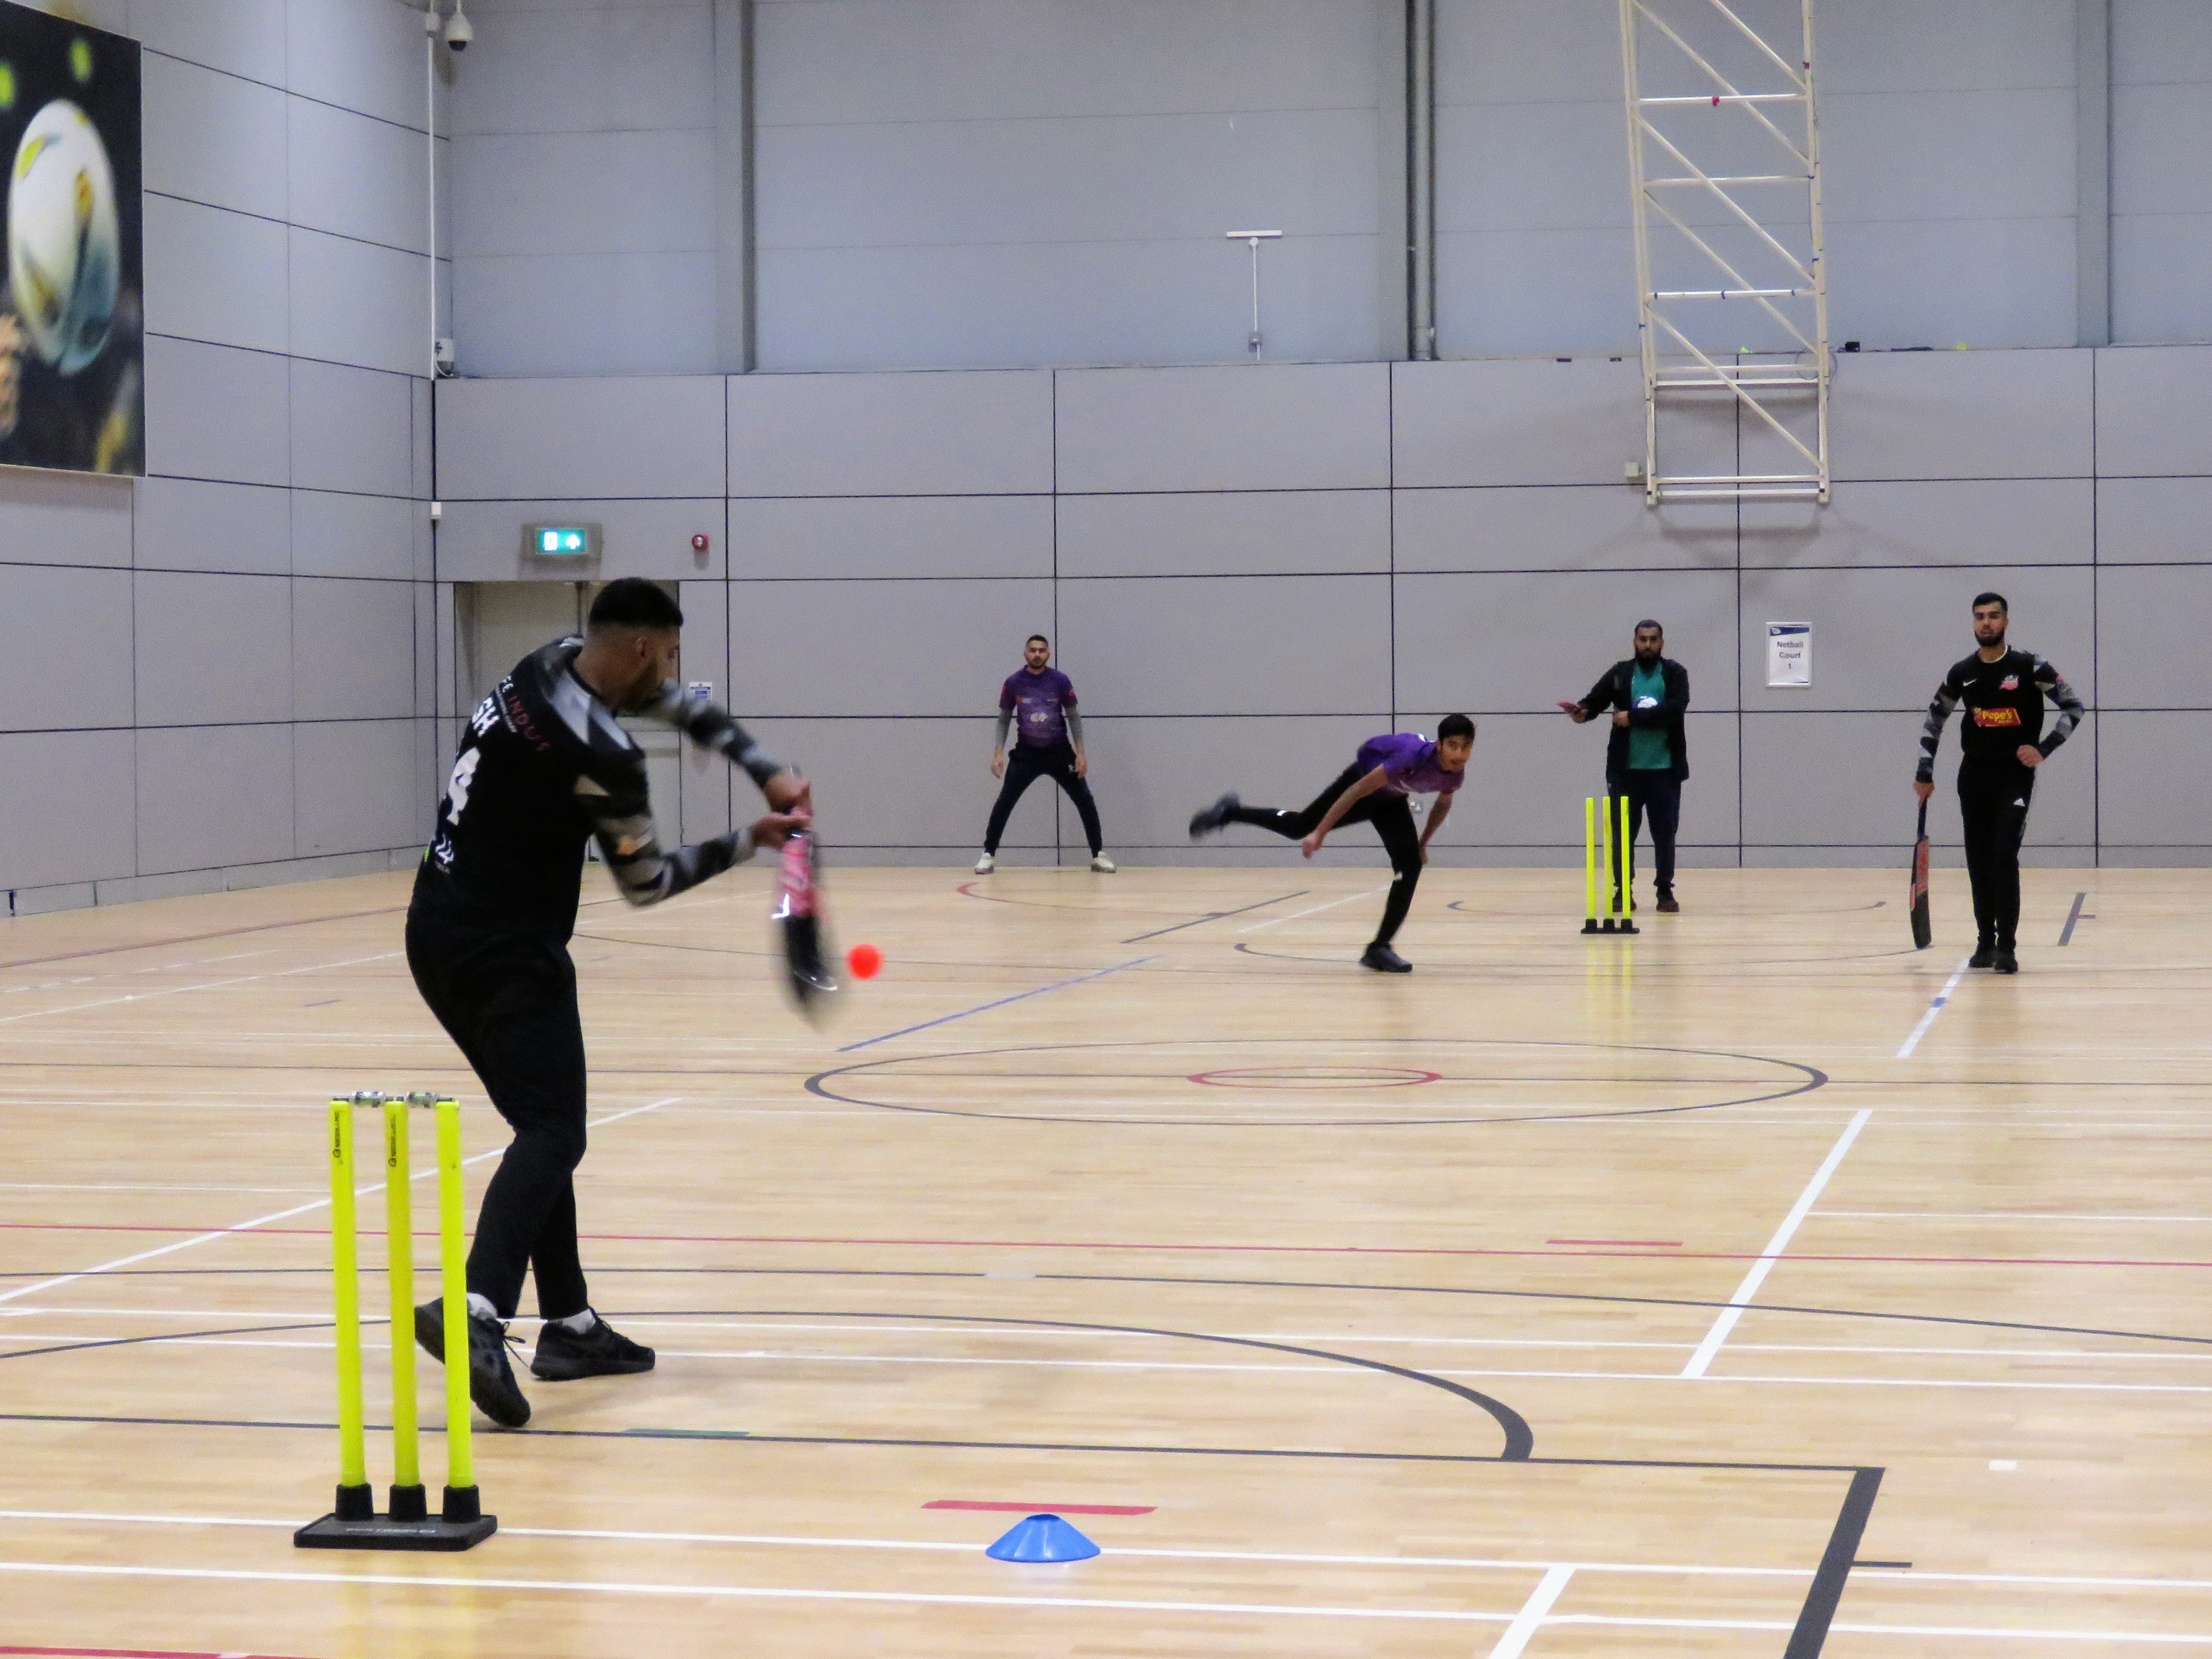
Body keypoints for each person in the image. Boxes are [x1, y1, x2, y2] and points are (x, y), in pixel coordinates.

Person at [406, 578, 811, 1425]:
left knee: (543, 1121)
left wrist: (759, 764)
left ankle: (571, 1324)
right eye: (666, 654)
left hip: (434, 925)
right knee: (556, 1131)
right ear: (639, 647)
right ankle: (477, 1308)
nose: (668, 673)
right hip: (504, 952)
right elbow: (646, 880)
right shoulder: (599, 753)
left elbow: (670, 705)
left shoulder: (544, 660)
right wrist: (752, 837)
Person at [1187, 716, 1475, 973]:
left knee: (1410, 864)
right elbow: (1357, 791)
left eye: (1466, 747)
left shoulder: (1456, 774)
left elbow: (1442, 805)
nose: (1459, 754)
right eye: (1453, 745)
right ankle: (1229, 812)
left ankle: (1379, 948)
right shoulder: (1410, 757)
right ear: (1439, 745)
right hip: (1360, 785)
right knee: (1299, 828)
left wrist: (1422, 844)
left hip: (1390, 800)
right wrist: (1320, 833)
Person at [1913, 591, 2083, 975]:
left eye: (1993, 616)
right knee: (1978, 860)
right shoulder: (1961, 672)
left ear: (2006, 622)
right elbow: (1934, 720)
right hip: (1973, 776)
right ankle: (1984, 943)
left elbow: (2074, 707)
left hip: (2014, 778)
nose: (1985, 623)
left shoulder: (2029, 666)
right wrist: (1924, 772)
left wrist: (2044, 748)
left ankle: (2006, 947)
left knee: (2004, 855)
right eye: (1979, 617)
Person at [1560, 619, 1689, 913]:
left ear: (1662, 643)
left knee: (1665, 834)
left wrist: (1633, 718)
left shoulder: (1675, 673)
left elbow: (1674, 709)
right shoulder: (1621, 673)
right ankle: (1622, 891)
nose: (1647, 645)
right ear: (1634, 642)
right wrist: (1582, 712)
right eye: (1642, 639)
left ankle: (1665, 892)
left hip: (1665, 771)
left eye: (1653, 639)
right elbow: (1595, 700)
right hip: (1625, 772)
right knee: (1622, 834)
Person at [976, 633, 1114, 874]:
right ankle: (988, 855)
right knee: (1005, 801)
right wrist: (998, 754)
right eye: (1033, 650)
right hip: (1026, 755)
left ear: (1048, 654)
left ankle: (1098, 854)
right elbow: (1003, 720)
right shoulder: (1014, 683)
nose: (1037, 654)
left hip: (1060, 754)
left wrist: (1081, 754)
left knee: (1085, 800)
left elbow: (1073, 717)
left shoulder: (1060, 681)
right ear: (1025, 654)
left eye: (1042, 650)